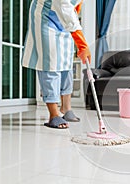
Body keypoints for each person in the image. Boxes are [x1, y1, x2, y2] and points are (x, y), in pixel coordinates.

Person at [22, 0, 91, 129]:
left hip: (63, 19)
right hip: (45, 17)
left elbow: (74, 6)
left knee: (66, 63)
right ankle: (53, 114)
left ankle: (66, 108)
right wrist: (82, 44)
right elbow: (65, 6)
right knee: (50, 62)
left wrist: (76, 11)